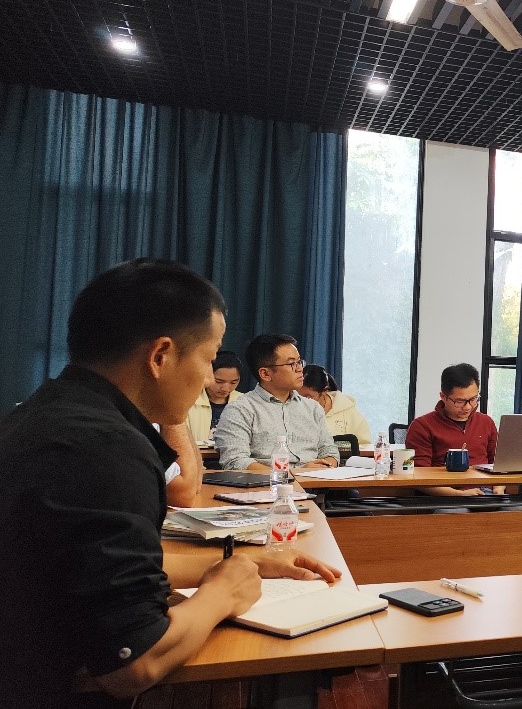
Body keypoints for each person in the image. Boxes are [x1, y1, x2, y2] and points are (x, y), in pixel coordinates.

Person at [0, 259, 339, 706]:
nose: (209, 379)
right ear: (160, 356)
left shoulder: (44, 414)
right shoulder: (107, 449)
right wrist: (222, 593)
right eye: (209, 358)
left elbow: (101, 563)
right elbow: (133, 663)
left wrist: (247, 560)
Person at [214, 333, 340, 470]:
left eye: (299, 362)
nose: (299, 369)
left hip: (316, 481)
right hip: (267, 483)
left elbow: (330, 452)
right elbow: (235, 462)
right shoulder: (240, 410)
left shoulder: (313, 408)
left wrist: (327, 466)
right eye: (291, 364)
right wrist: (296, 473)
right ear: (265, 374)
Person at [405, 363, 503, 497]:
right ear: (443, 397)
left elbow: (499, 465)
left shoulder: (486, 422)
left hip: (487, 492)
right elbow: (418, 477)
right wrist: (457, 494)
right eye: (459, 401)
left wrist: (499, 488)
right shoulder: (422, 426)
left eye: (473, 399)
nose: (468, 407)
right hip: (445, 495)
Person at [298, 364, 372, 444]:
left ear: (324, 391)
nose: (302, 400)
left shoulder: (349, 413)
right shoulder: (293, 409)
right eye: (298, 395)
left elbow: (365, 446)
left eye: (308, 397)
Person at [186, 350, 245, 442]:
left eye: (233, 382)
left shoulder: (244, 402)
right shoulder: (189, 400)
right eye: (219, 381)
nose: (225, 388)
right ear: (207, 375)